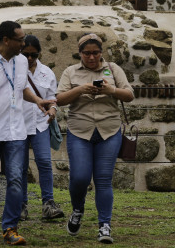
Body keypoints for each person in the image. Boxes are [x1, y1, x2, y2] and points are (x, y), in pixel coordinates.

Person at [0, 21, 56, 245]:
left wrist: (37, 100)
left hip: (17, 132)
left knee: (16, 179)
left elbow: (21, 87)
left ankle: (10, 227)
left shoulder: (22, 61)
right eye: (20, 40)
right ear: (6, 40)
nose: (24, 44)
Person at [56, 33, 134, 244]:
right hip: (79, 130)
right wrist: (80, 89)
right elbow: (59, 99)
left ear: (101, 52)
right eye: (86, 53)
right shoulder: (70, 71)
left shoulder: (113, 69)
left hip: (108, 130)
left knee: (103, 179)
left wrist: (110, 90)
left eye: (95, 53)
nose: (91, 57)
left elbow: (129, 94)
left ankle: (104, 225)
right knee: (79, 177)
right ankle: (78, 210)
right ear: (79, 53)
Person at [20, 35, 64, 221]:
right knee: (19, 167)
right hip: (19, 124)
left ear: (39, 53)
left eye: (33, 55)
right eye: (26, 54)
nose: (29, 58)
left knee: (45, 163)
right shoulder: (15, 70)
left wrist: (53, 110)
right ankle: (20, 204)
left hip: (40, 123)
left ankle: (48, 203)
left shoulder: (47, 72)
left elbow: (53, 98)